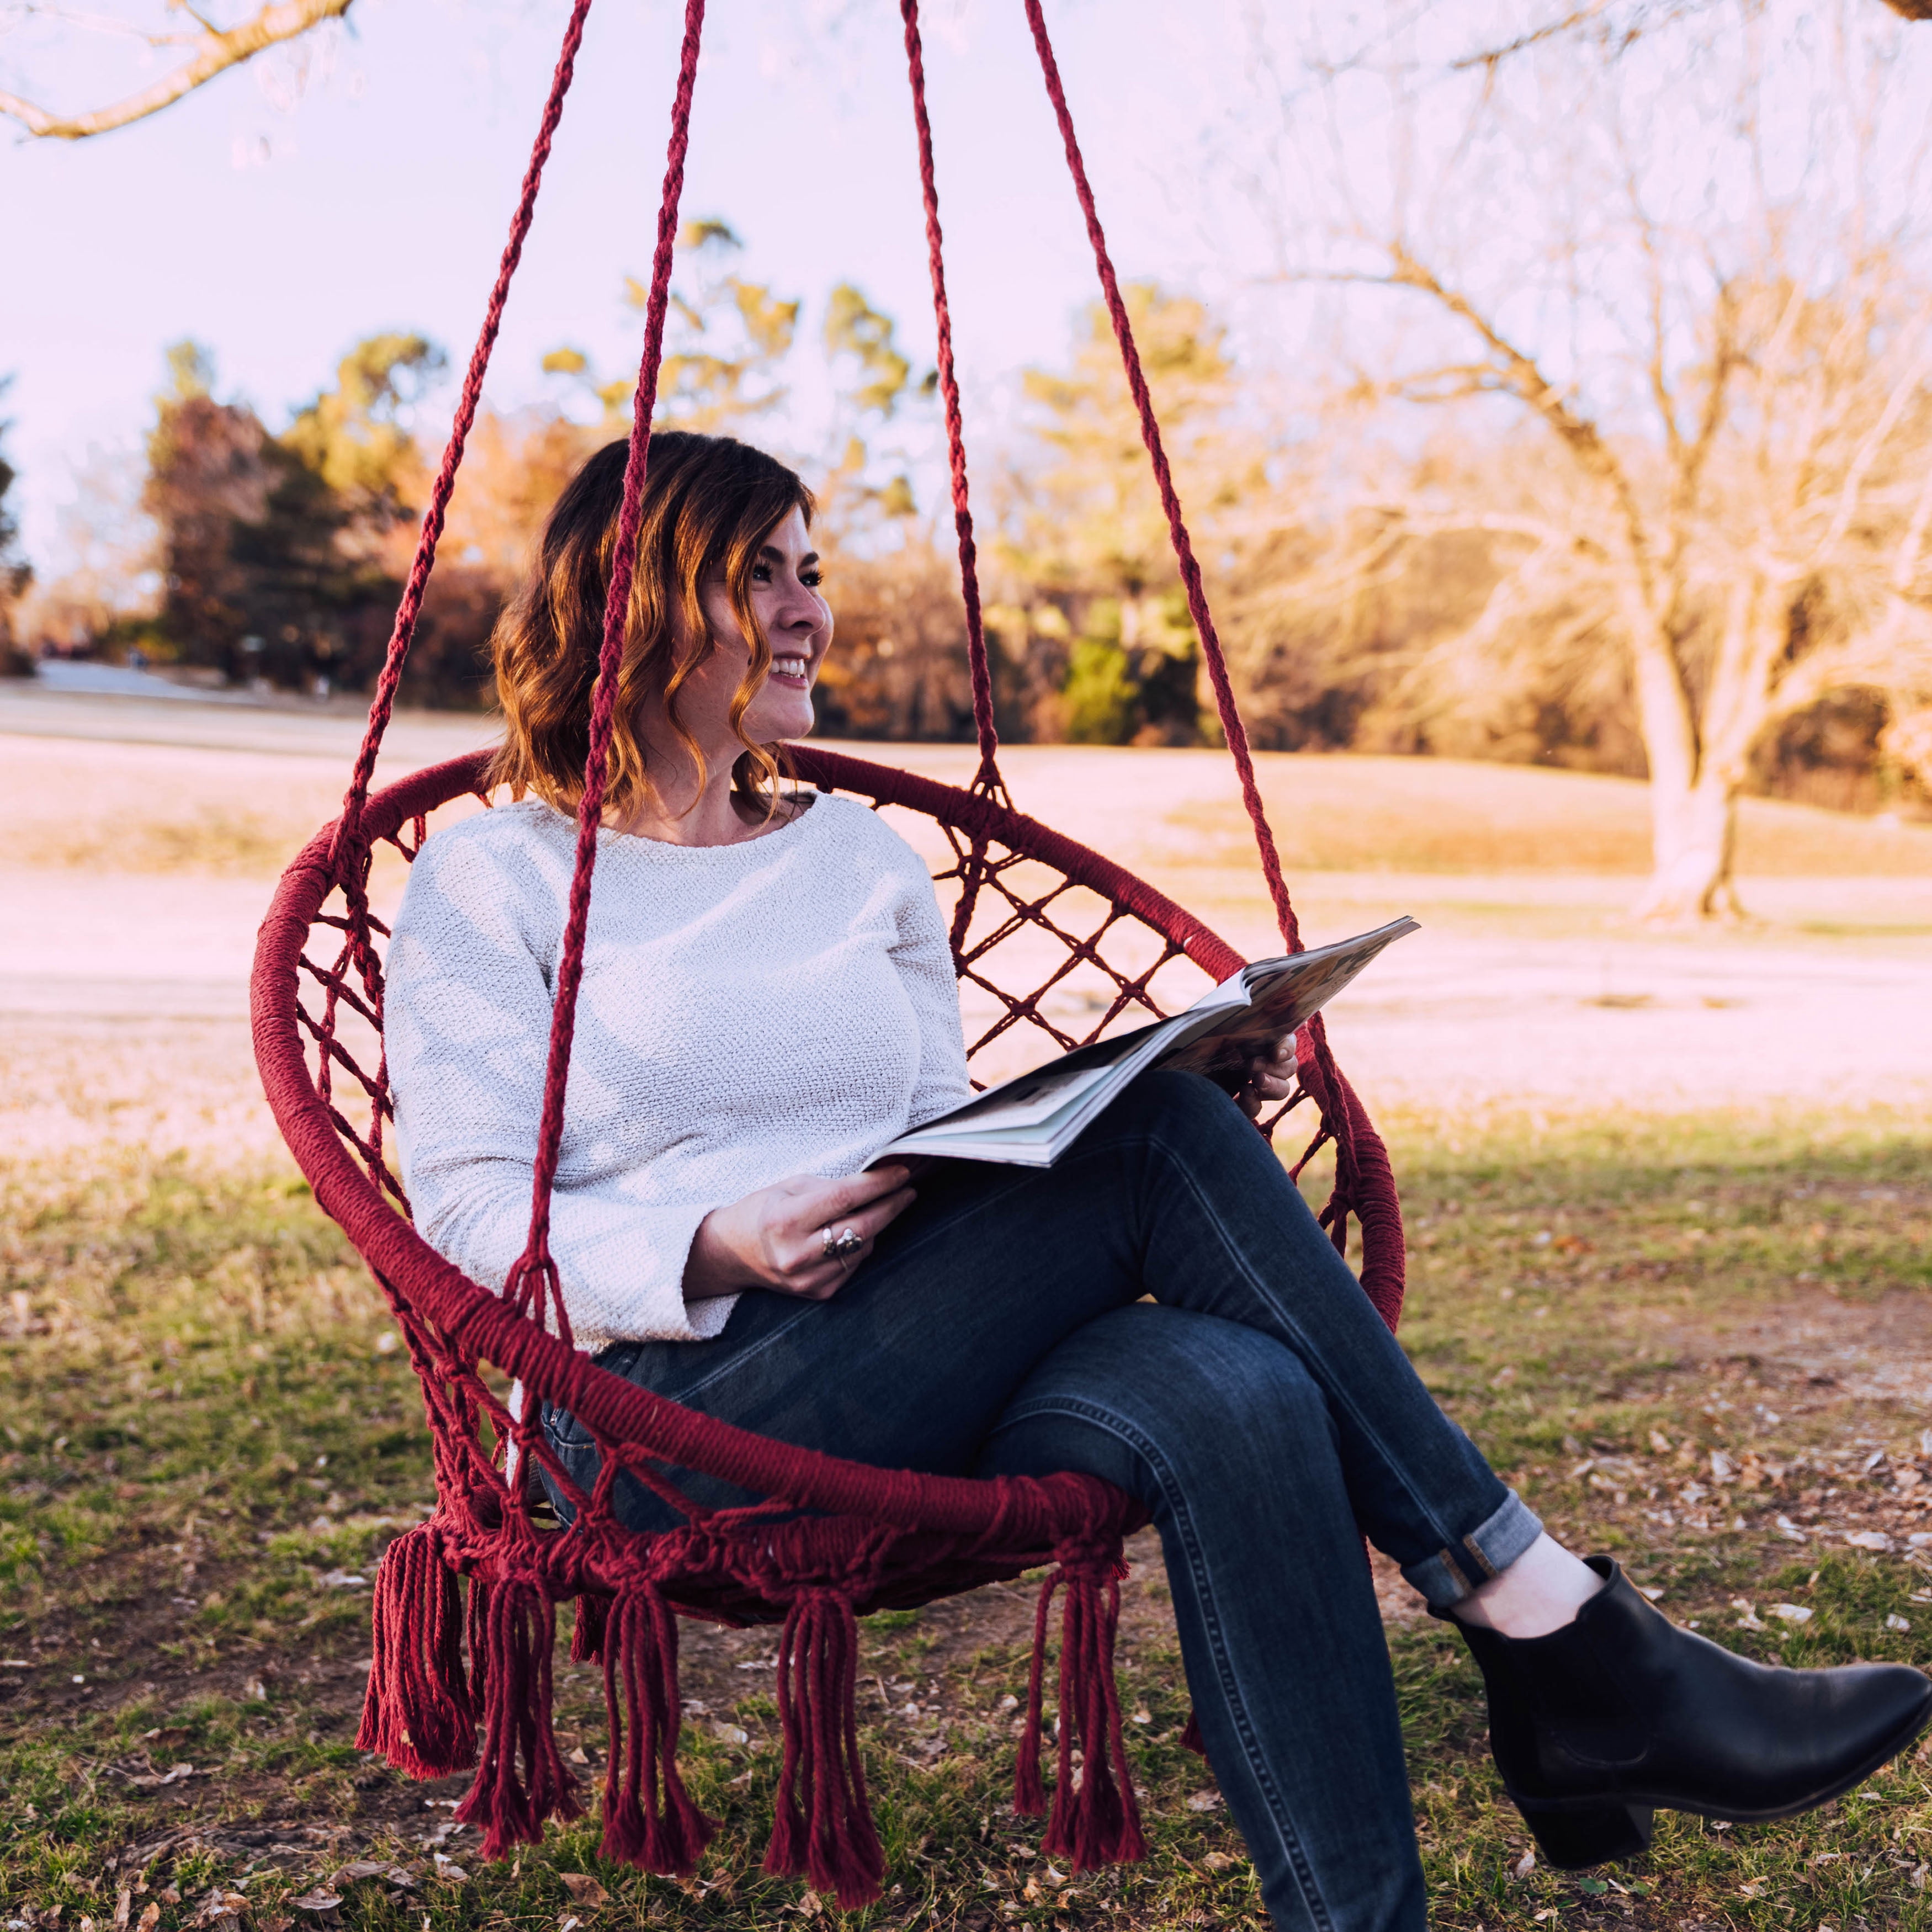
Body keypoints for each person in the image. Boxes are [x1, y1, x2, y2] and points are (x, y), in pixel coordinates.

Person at [385, 433, 1929, 1932]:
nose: (811, 610)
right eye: (761, 574)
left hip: (904, 1350)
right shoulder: (497, 876)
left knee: (1236, 1381)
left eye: (814, 571)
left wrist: (1171, 1097)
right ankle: (1561, 1637)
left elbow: (930, 1135)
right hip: (659, 1416)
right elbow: (464, 1220)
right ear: (637, 599)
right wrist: (712, 1244)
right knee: (1158, 1148)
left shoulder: (855, 860)